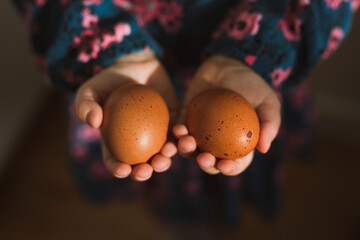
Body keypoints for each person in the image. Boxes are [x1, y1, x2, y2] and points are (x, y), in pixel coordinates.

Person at [11, 0, 358, 224]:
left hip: (250, 69)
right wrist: (107, 46)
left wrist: (260, 48)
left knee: (220, 194)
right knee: (165, 191)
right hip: (113, 67)